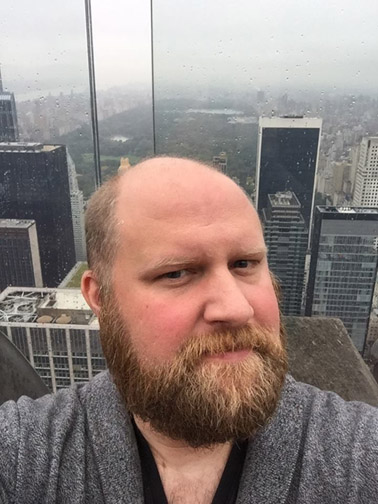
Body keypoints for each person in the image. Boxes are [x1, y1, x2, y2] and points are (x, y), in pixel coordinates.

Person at [1, 157, 378, 504]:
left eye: (245, 263)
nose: (236, 308)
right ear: (99, 297)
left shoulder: (356, 451)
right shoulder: (24, 454)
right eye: (177, 273)